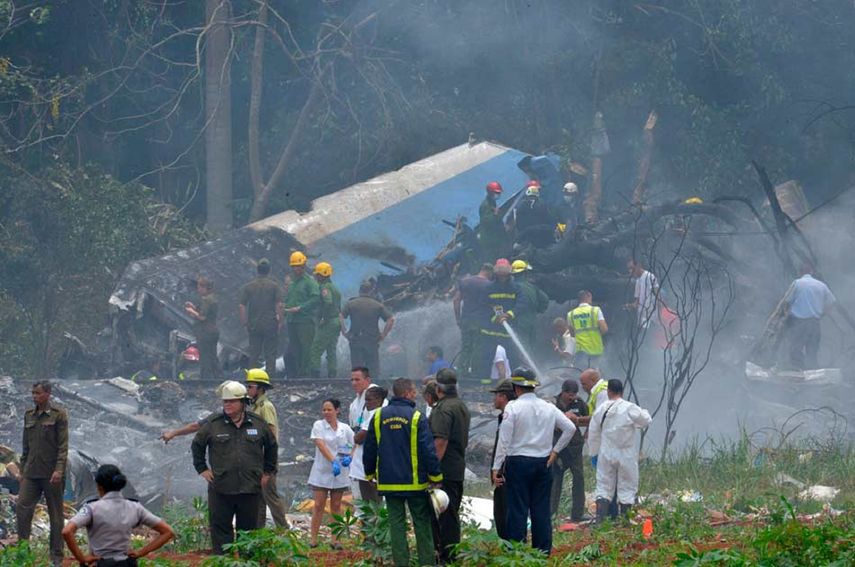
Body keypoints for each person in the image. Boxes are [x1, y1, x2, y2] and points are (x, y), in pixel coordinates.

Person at [492, 368, 576, 555]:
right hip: (543, 464)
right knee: (541, 510)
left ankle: (517, 553)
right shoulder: (548, 407)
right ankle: (542, 552)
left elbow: (504, 441)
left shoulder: (512, 408)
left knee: (517, 510)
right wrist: (555, 452)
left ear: (516, 388)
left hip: (518, 463)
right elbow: (570, 428)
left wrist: (496, 468)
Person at [191, 381, 277, 554]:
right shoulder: (213, 424)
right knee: (221, 532)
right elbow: (197, 445)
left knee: (248, 534)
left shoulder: (258, 423)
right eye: (225, 401)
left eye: (231, 401)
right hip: (221, 488)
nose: (227, 405)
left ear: (243, 402)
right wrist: (202, 469)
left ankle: (247, 563)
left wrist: (268, 472)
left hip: (250, 488)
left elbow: (272, 446)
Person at [363, 378, 442, 567]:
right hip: (415, 483)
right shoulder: (416, 417)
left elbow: (370, 447)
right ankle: (426, 563)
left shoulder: (379, 416)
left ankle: (401, 563)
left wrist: (369, 473)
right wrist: (436, 476)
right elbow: (428, 450)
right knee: (422, 525)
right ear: (406, 393)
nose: (415, 394)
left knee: (396, 526)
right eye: (413, 391)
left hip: (389, 483)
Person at [62, 464, 174, 566]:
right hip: (125, 563)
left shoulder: (92, 508)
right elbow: (168, 532)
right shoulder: (135, 507)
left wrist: (82, 559)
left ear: (99, 486)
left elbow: (67, 531)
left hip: (100, 563)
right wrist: (141, 552)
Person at [17, 380, 68, 567]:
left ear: (47, 394)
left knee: (55, 514)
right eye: (33, 393)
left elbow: (63, 446)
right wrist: (22, 470)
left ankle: (56, 556)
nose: (34, 396)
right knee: (22, 508)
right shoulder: (28, 415)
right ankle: (23, 551)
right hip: (31, 472)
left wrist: (59, 470)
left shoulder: (58, 415)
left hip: (51, 473)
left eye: (37, 393)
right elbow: (25, 446)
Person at [587, 379, 652, 522]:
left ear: (609, 391)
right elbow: (646, 420)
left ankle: (601, 520)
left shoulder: (601, 408)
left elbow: (593, 433)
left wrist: (593, 453)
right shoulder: (629, 407)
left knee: (604, 485)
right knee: (627, 485)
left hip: (606, 452)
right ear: (622, 391)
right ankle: (625, 520)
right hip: (626, 454)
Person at [429, 369, 470, 563]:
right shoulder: (460, 405)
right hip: (457, 467)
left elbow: (440, 442)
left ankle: (445, 557)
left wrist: (433, 471)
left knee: (444, 515)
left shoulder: (443, 409)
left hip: (444, 469)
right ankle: (450, 554)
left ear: (438, 388)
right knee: (451, 513)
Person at [244, 369, 290, 529]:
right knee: (259, 498)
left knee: (270, 496)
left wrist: (268, 462)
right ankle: (259, 531)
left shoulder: (265, 406)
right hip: (257, 459)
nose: (248, 390)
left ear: (260, 388)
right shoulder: (256, 407)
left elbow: (271, 433)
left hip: (265, 459)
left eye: (250, 386)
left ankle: (284, 530)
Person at [308, 398, 354, 547]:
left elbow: (355, 444)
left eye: (329, 409)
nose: (326, 412)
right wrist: (333, 460)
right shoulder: (318, 425)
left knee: (336, 505)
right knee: (319, 504)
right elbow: (320, 445)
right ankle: (313, 539)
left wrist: (350, 457)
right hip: (322, 471)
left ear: (337, 410)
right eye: (324, 410)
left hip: (340, 472)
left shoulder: (345, 428)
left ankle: (336, 539)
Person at [550, 379, 588, 521]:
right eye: (569, 394)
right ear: (563, 392)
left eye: (574, 394)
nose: (572, 397)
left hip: (575, 447)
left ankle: (577, 514)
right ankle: (551, 513)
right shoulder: (553, 404)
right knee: (555, 480)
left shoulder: (579, 403)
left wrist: (577, 420)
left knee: (579, 478)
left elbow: (590, 419)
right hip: (559, 447)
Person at [786, 265, 836, 369]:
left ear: (800, 272)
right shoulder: (821, 285)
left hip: (799, 322)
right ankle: (812, 373)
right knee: (812, 350)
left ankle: (798, 372)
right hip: (814, 322)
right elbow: (832, 302)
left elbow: (787, 301)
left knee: (796, 348)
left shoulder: (797, 283)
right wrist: (823, 313)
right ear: (811, 272)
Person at [476, 258, 519, 381]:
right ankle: (484, 386)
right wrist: (494, 317)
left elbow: (522, 305)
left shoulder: (516, 288)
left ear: (509, 273)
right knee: (486, 358)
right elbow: (483, 306)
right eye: (500, 274)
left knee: (514, 357)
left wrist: (509, 314)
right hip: (490, 330)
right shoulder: (488, 288)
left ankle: (516, 383)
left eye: (504, 274)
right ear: (496, 273)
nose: (502, 277)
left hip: (508, 330)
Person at [348, 367, 386, 503]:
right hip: (359, 456)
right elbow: (354, 430)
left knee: (376, 498)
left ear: (367, 380)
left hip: (374, 454)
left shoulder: (375, 395)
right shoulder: (354, 403)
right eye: (352, 380)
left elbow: (364, 432)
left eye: (357, 379)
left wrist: (356, 437)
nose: (354, 383)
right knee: (363, 501)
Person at [239, 258, 283, 375]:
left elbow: (242, 306)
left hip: (254, 325)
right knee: (270, 354)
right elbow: (279, 305)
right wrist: (280, 321)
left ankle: (252, 378)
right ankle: (270, 379)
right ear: (269, 271)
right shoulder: (274, 286)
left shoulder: (249, 287)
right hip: (270, 324)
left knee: (254, 353)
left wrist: (244, 322)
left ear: (257, 270)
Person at [341, 282, 395, 376]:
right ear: (371, 291)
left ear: (359, 291)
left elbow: (340, 316)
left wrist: (344, 331)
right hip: (372, 340)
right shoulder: (377, 305)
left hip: (355, 339)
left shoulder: (351, 304)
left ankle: (359, 388)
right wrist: (383, 335)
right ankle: (372, 387)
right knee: (373, 368)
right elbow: (391, 319)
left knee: (357, 368)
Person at [282, 251, 320, 377]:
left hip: (304, 321)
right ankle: (298, 374)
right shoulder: (292, 284)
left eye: (299, 266)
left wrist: (300, 308)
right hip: (292, 321)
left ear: (303, 266)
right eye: (294, 266)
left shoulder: (309, 282)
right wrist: (284, 310)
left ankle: (306, 374)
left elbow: (316, 299)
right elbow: (288, 300)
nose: (297, 269)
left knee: (306, 349)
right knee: (295, 349)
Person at [453, 263, 493, 377]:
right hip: (481, 322)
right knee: (478, 347)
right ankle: (476, 375)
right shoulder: (489, 285)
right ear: (489, 272)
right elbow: (492, 305)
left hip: (466, 320)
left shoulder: (465, 281)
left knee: (466, 347)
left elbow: (456, 300)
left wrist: (458, 319)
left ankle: (462, 373)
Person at [489, 380, 515, 539]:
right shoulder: (503, 416)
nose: (494, 400)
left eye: (496, 396)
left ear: (504, 397)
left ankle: (510, 548)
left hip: (506, 472)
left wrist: (497, 470)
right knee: (500, 512)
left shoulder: (510, 416)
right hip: (504, 472)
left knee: (505, 512)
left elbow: (505, 446)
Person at [309, 262, 342, 378]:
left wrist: (324, 317)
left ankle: (314, 377)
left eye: (317, 274)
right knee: (331, 350)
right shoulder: (335, 288)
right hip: (336, 322)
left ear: (323, 275)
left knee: (315, 350)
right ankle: (332, 376)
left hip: (328, 323)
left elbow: (328, 302)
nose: (316, 277)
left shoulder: (325, 287)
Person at [185, 276, 221, 381]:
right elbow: (204, 312)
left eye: (200, 287)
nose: (198, 289)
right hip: (212, 331)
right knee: (213, 356)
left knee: (205, 357)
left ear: (206, 288)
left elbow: (202, 317)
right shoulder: (212, 298)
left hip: (206, 333)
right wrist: (194, 308)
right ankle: (218, 377)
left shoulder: (207, 300)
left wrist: (191, 312)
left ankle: (206, 379)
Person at [511, 260, 549, 349]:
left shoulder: (511, 287)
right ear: (525, 273)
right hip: (532, 322)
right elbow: (545, 300)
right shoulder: (532, 287)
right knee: (530, 348)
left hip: (517, 323)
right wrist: (538, 310)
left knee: (519, 348)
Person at [567, 290, 608, 369]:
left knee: (582, 373)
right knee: (594, 375)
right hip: (595, 350)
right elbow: (604, 329)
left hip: (580, 351)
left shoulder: (570, 314)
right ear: (589, 296)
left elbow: (572, 334)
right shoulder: (595, 310)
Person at [478, 181, 510, 263]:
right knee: (492, 260)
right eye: (496, 193)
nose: (498, 194)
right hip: (490, 240)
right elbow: (486, 222)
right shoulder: (485, 205)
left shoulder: (492, 202)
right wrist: (496, 215)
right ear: (490, 192)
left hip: (495, 237)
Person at [627, 259, 659, 329]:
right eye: (629, 269)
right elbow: (637, 302)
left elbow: (657, 297)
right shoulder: (638, 280)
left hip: (651, 317)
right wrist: (630, 305)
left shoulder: (649, 276)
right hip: (642, 318)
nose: (630, 271)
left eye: (632, 268)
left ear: (638, 266)